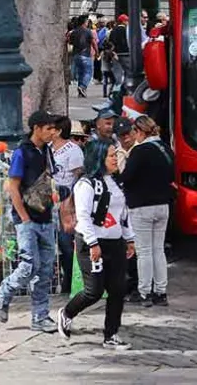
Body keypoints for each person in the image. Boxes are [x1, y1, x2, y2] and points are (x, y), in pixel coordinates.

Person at [55, 139, 137, 351]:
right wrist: (93, 244)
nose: (115, 159)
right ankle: (67, 313)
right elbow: (83, 216)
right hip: (92, 242)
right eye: (111, 156)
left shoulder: (116, 182)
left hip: (115, 242)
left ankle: (111, 334)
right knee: (94, 291)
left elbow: (122, 214)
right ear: (99, 158)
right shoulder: (86, 184)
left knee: (118, 289)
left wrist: (129, 238)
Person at [0, 110, 61, 333]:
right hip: (28, 220)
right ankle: (3, 292)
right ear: (37, 128)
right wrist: (24, 218)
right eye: (49, 128)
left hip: (46, 216)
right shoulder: (22, 153)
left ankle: (40, 316)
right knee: (29, 266)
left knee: (46, 269)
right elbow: (13, 186)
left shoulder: (47, 151)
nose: (53, 132)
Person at [118, 115, 174, 307]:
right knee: (159, 250)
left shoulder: (140, 151)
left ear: (140, 131)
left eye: (135, 132)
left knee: (144, 251)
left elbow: (126, 176)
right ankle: (161, 291)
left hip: (142, 206)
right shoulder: (166, 149)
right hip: (163, 205)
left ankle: (144, 292)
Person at [51, 116, 84, 295]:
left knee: (66, 244)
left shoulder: (73, 151)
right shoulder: (47, 149)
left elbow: (78, 176)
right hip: (49, 201)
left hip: (66, 203)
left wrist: (71, 202)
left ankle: (71, 281)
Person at [68, 15, 96, 98]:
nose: (87, 23)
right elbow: (93, 42)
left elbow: (70, 42)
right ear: (84, 22)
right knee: (88, 72)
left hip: (76, 55)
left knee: (80, 73)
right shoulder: (88, 31)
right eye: (87, 21)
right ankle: (83, 86)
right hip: (85, 54)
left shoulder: (74, 31)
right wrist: (96, 51)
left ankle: (81, 91)